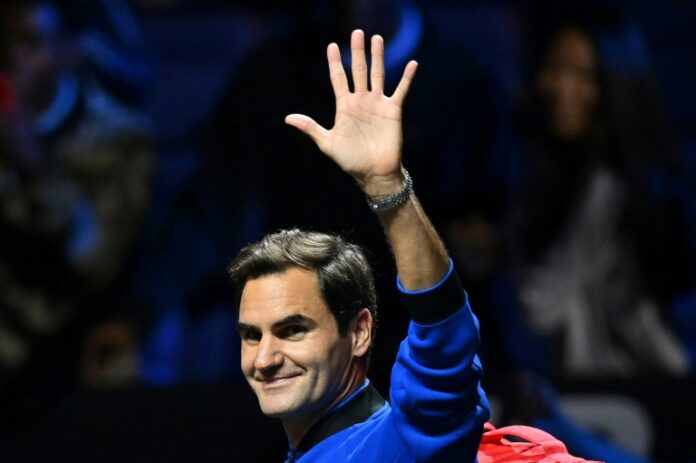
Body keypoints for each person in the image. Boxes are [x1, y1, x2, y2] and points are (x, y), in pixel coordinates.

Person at [228, 30, 489, 462]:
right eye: (252, 336)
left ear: (360, 332)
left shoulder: (404, 443)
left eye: (293, 330)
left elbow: (444, 339)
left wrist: (387, 187)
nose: (265, 358)